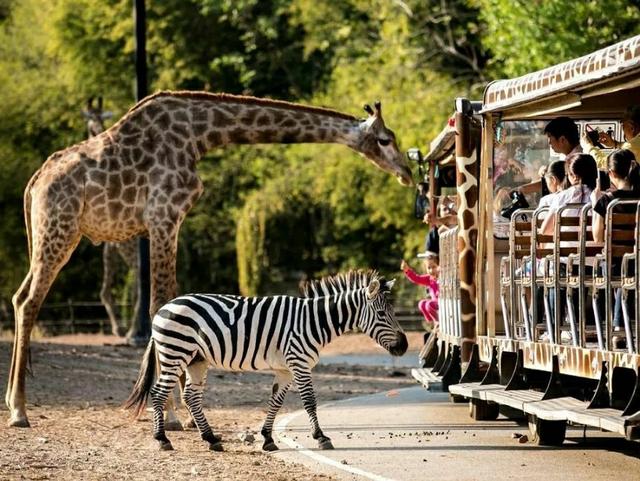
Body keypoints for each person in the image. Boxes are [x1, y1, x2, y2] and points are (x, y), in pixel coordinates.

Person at [590, 149, 640, 342]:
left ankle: (616, 325)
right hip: (637, 258)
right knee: (629, 270)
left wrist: (596, 204)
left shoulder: (607, 200)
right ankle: (621, 324)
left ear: (610, 174)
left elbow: (597, 238)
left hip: (615, 262)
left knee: (617, 271)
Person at [516, 117, 581, 196]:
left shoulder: (578, 160)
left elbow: (553, 181)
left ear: (562, 140)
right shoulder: (564, 157)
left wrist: (521, 190)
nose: (549, 142)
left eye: (550, 137)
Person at [582, 105, 640, 169]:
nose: (623, 132)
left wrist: (588, 146)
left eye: (623, 126)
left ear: (632, 127)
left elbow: (604, 164)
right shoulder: (635, 145)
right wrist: (615, 144)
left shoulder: (632, 146)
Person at [401, 255, 439, 328]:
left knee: (428, 304)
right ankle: (430, 323)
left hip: (441, 302)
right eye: (429, 268)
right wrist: (407, 270)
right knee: (421, 303)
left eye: (434, 267)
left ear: (438, 266)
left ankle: (437, 321)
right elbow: (416, 278)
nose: (431, 270)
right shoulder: (429, 278)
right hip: (435, 303)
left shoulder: (442, 277)